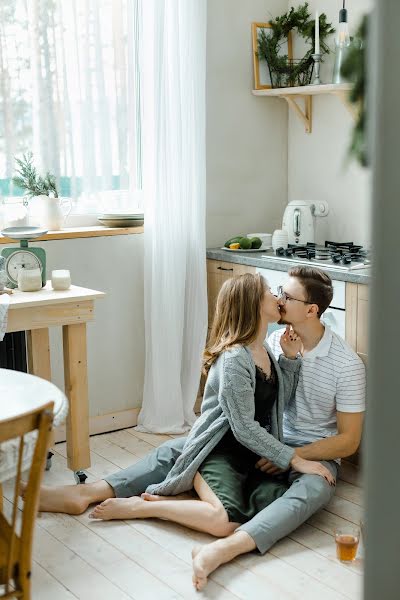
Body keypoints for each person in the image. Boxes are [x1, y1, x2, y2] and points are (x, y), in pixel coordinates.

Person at [23, 266, 365, 590]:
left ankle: (228, 543)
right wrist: (283, 451)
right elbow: (251, 418)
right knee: (192, 444)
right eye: (275, 292)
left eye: (286, 296)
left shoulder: (342, 364)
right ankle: (94, 490)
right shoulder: (273, 343)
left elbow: (347, 441)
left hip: (291, 449)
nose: (278, 299)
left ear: (312, 310)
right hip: (261, 441)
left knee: (312, 488)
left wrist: (294, 458)